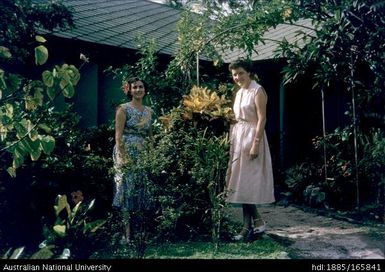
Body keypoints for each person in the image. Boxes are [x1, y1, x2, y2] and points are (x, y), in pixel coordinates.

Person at [225, 59, 275, 241]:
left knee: (247, 183)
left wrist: (255, 142)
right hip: (239, 137)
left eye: (240, 73)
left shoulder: (257, 90)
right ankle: (253, 224)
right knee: (242, 184)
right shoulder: (239, 93)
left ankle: (249, 227)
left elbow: (262, 119)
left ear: (249, 73)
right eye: (234, 74)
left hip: (252, 136)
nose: (237, 77)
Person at [112, 76, 153, 244]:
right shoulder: (123, 109)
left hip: (143, 152)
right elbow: (118, 136)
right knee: (126, 191)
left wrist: (152, 154)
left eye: (141, 87)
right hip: (127, 151)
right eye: (135, 87)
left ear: (145, 89)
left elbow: (150, 135)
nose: (138, 90)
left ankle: (141, 232)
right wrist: (122, 157)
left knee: (142, 191)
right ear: (129, 89)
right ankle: (127, 235)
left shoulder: (149, 111)